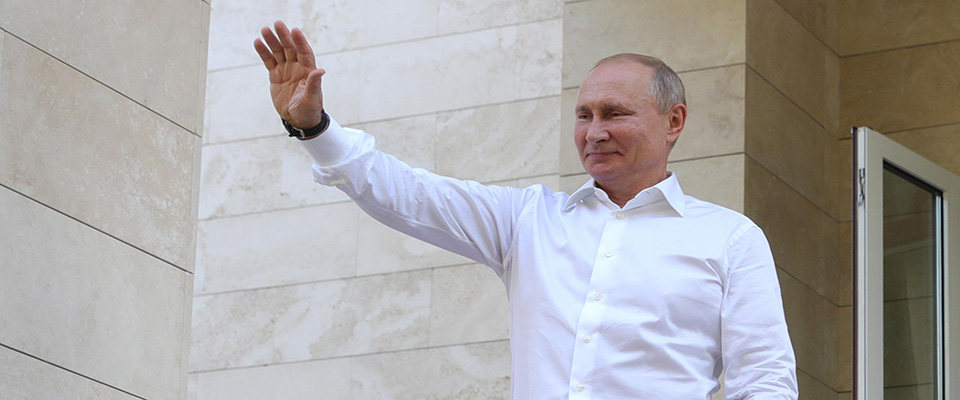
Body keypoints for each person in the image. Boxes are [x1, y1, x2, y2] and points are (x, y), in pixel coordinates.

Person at [254, 20, 798, 399]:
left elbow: (765, 383)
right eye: (583, 114)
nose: (594, 131)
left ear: (673, 121)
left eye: (614, 113)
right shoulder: (528, 220)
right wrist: (314, 129)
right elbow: (406, 192)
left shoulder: (729, 238)